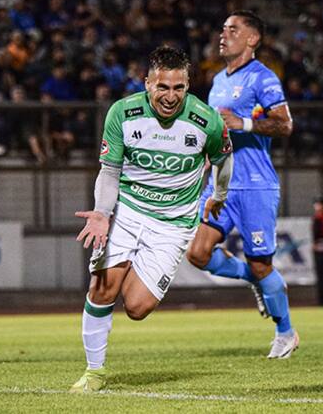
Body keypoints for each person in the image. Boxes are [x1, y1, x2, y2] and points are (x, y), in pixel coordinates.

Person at [71, 46, 233, 392]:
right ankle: (94, 372)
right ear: (147, 83)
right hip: (127, 213)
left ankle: (124, 266)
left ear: (188, 86)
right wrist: (102, 213)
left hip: (173, 224)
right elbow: (110, 171)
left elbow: (223, 159)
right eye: (163, 87)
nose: (171, 96)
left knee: (138, 308)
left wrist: (218, 196)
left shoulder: (208, 121)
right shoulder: (122, 113)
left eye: (179, 88)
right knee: (102, 288)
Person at [186, 10, 298, 359]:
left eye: (233, 30)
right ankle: (252, 277)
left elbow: (285, 125)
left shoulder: (262, 78)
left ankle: (286, 332)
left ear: (252, 39)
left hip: (255, 186)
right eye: (222, 29)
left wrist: (244, 123)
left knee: (263, 263)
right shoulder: (218, 81)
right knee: (198, 253)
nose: (224, 35)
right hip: (221, 185)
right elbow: (216, 133)